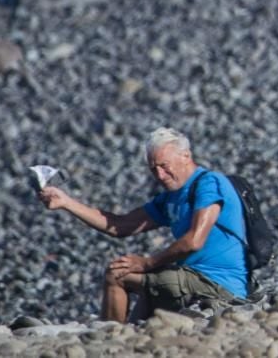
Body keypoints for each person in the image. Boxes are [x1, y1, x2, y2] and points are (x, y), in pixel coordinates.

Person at [39, 127, 248, 321]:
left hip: (217, 282)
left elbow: (193, 241)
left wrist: (147, 263)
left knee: (117, 275)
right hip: (190, 277)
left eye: (164, 166)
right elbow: (120, 225)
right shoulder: (170, 198)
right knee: (144, 300)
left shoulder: (209, 184)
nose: (160, 175)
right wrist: (66, 202)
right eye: (153, 169)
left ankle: (109, 336)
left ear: (186, 156)